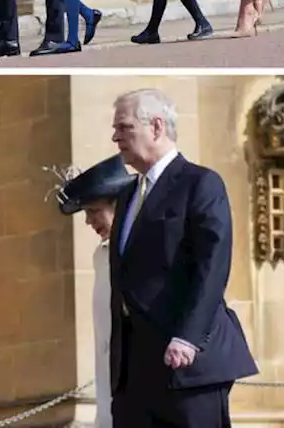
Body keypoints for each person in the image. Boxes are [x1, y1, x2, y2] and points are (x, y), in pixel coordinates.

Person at [108, 89, 258, 427]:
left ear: (156, 126)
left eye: (124, 127)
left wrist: (188, 337)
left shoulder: (200, 183)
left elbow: (213, 266)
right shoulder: (128, 194)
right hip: (134, 371)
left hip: (188, 365)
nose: (115, 136)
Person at [52, 154, 140, 428]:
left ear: (120, 205)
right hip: (112, 403)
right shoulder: (100, 257)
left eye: (94, 211)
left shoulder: (143, 250)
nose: (89, 221)